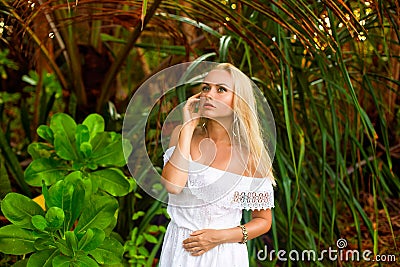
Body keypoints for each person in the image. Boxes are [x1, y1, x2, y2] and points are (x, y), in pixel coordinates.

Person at [159, 63, 275, 266]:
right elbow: (173, 186)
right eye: (205, 88)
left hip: (221, 254)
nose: (209, 94)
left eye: (221, 89)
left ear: (238, 101)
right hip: (177, 246)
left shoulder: (249, 157)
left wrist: (219, 237)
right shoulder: (182, 134)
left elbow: (263, 221)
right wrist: (188, 128)